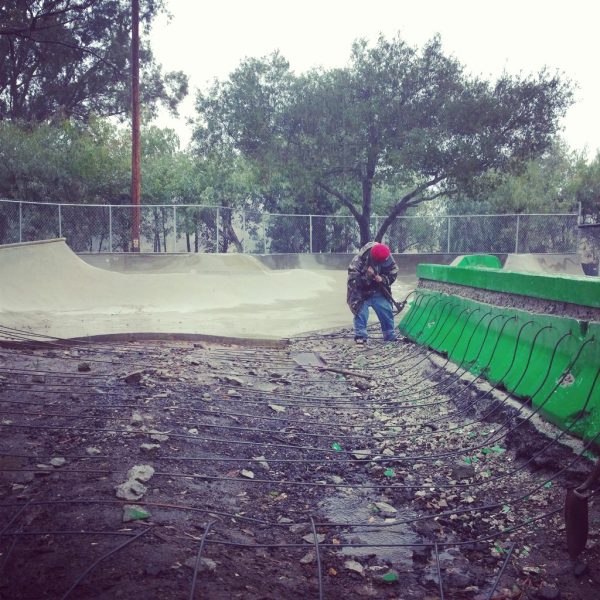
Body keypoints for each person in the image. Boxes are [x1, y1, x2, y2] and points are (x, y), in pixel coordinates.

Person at [347, 242, 398, 344]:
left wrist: (383, 279)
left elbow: (394, 272)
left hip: (378, 290)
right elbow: (354, 283)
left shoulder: (386, 255)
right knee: (360, 311)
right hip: (360, 293)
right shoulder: (357, 262)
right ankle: (361, 335)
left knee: (386, 308)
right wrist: (368, 277)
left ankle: (389, 335)